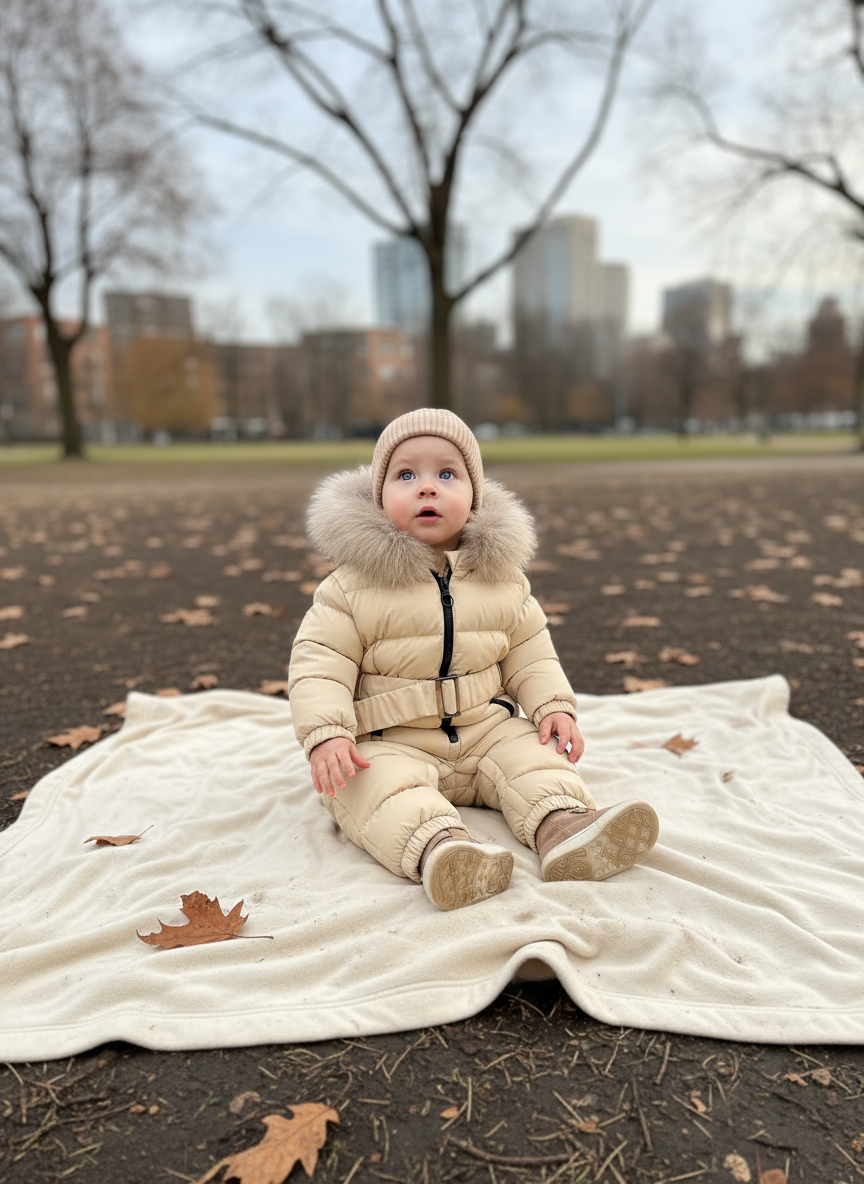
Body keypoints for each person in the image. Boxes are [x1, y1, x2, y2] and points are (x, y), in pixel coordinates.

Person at [287, 409, 658, 910]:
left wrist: (553, 706)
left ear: (475, 496)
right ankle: (443, 850)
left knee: (532, 756)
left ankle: (562, 825)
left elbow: (531, 651)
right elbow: (318, 664)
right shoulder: (351, 587)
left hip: (486, 729)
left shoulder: (501, 580)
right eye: (406, 475)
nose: (427, 488)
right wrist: (327, 734)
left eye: (446, 474)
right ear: (379, 497)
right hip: (391, 738)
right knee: (373, 787)